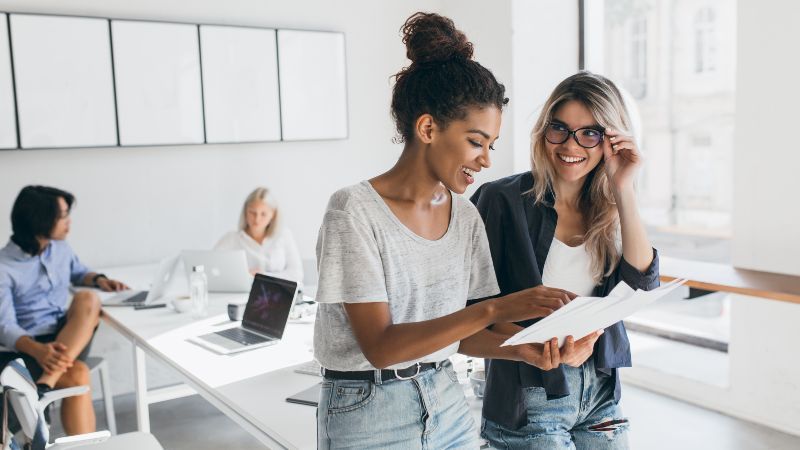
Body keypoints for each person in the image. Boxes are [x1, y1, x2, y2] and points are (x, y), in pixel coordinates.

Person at [312, 12, 573, 449]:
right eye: (476, 141)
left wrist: (523, 347)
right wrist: (496, 309)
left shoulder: (466, 217)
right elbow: (381, 347)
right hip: (367, 408)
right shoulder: (353, 211)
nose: (486, 160)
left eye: (491, 145)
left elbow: (463, 336)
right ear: (428, 128)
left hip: (446, 400)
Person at [469, 71, 660, 449]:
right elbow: (470, 313)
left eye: (590, 133)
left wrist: (624, 188)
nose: (571, 144)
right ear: (544, 132)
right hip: (531, 395)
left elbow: (641, 284)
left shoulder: (610, 207)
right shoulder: (501, 200)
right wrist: (540, 348)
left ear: (610, 140)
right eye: (560, 128)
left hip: (601, 393)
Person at [0, 186, 128, 435]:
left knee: (88, 298)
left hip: (66, 340)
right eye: (63, 216)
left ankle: (44, 385)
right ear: (40, 219)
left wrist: (99, 279)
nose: (69, 222)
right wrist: (38, 350)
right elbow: (4, 326)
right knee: (78, 374)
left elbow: (79, 272)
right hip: (25, 348)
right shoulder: (3, 266)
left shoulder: (61, 249)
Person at [214, 187, 303, 282]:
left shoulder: (284, 235)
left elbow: (297, 275)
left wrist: (263, 276)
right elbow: (213, 268)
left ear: (273, 215)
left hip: (278, 293)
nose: (257, 219)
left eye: (263, 214)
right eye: (252, 213)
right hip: (243, 295)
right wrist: (243, 275)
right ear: (245, 212)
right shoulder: (232, 239)